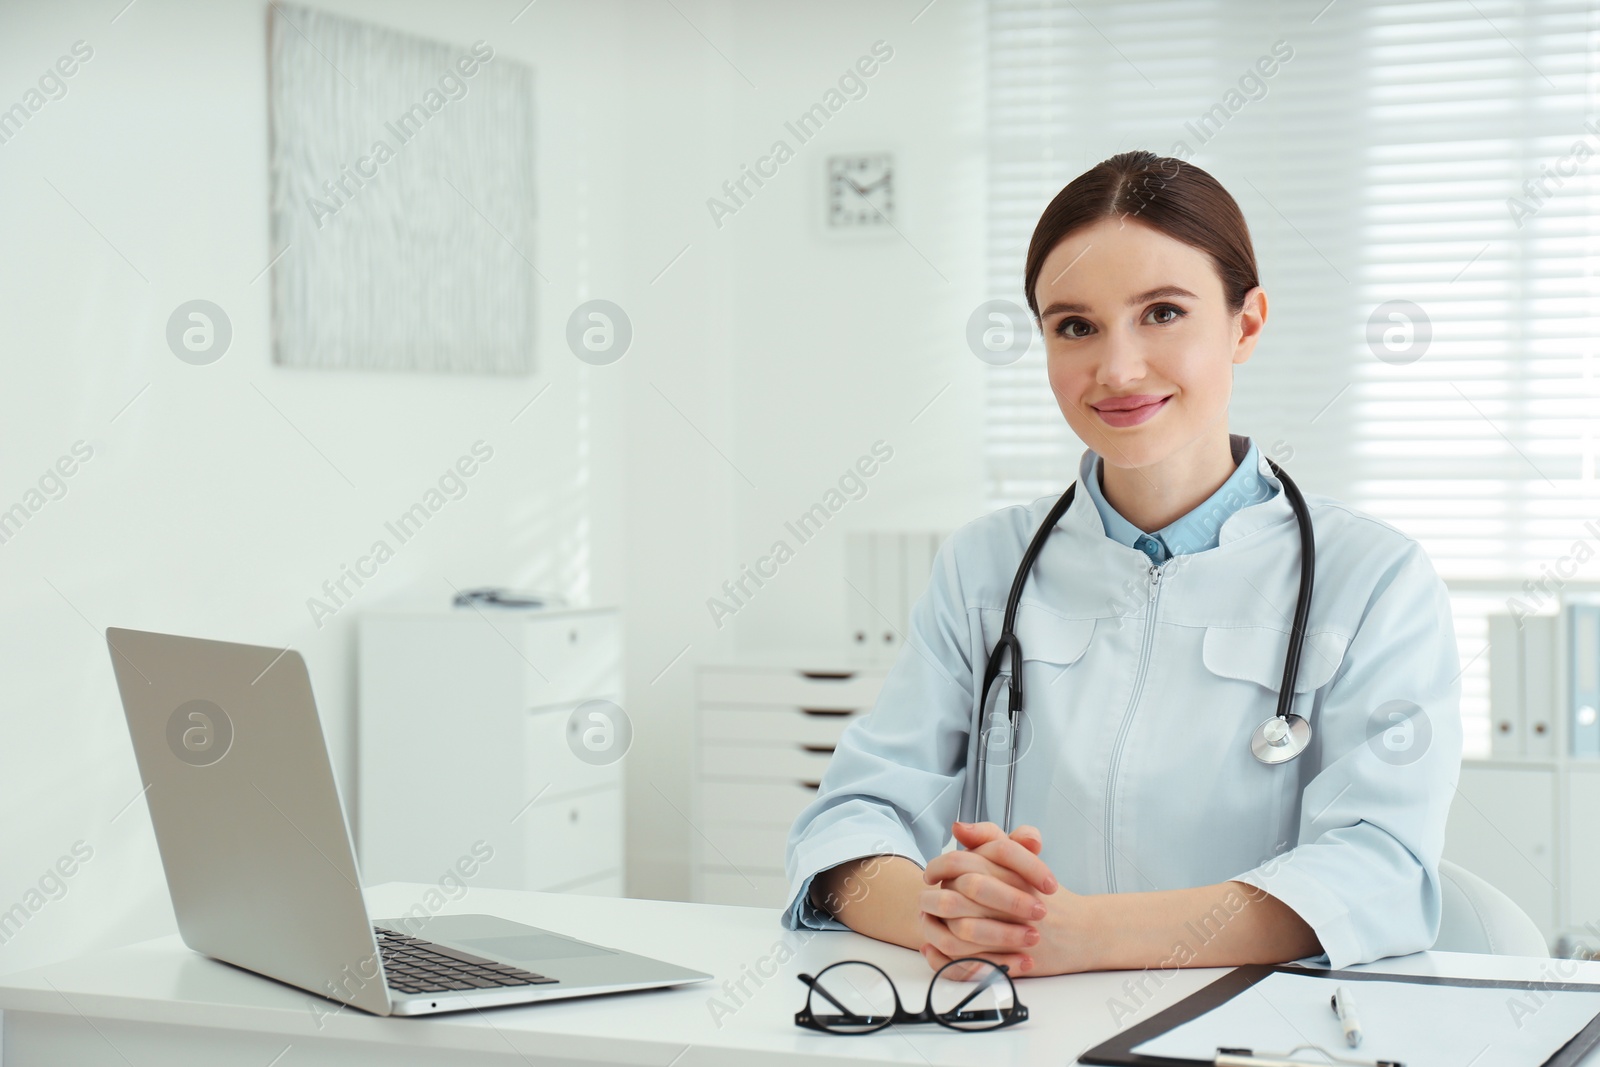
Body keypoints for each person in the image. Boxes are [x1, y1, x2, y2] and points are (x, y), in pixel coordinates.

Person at [781, 150, 1463, 978]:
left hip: (1250, 1032)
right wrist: (945, 913)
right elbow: (851, 821)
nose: (1118, 369)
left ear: (1246, 323)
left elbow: (1380, 870)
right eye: (1075, 326)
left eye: (1164, 313)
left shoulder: (1374, 578)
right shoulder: (985, 565)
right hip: (1010, 1023)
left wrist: (1085, 936)